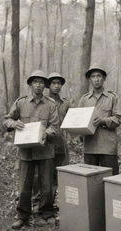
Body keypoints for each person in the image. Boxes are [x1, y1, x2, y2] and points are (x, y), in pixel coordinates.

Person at [3, 70, 59, 229]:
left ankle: (46, 213)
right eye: (35, 82)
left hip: (45, 150)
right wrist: (13, 124)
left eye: (41, 82)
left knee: (47, 185)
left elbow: (55, 126)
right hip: (26, 152)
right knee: (24, 186)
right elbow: (7, 119)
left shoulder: (50, 104)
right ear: (30, 84)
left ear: (45, 85)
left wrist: (45, 133)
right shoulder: (20, 102)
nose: (38, 85)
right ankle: (23, 216)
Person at [78, 64, 121, 175]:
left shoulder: (113, 97)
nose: (96, 79)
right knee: (90, 181)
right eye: (93, 76)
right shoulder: (84, 99)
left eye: (99, 76)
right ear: (89, 79)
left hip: (107, 147)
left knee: (111, 179)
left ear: (104, 78)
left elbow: (119, 119)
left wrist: (103, 121)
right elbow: (79, 120)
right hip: (90, 147)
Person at [48, 72, 70, 202]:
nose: (57, 86)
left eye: (59, 83)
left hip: (61, 144)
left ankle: (63, 204)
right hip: (47, 144)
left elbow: (73, 120)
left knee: (62, 175)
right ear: (48, 85)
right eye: (54, 83)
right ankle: (46, 204)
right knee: (46, 176)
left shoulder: (65, 103)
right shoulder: (44, 102)